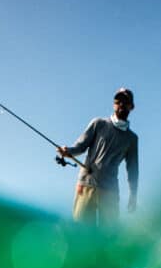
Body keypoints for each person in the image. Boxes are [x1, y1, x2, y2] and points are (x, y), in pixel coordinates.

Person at [56, 87, 138, 225]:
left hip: (110, 192)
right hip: (86, 185)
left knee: (109, 236)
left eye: (125, 101)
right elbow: (80, 147)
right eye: (118, 101)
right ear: (114, 104)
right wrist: (68, 151)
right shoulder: (98, 123)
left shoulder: (132, 139)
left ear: (132, 106)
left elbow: (133, 169)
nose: (121, 104)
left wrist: (133, 195)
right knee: (81, 233)